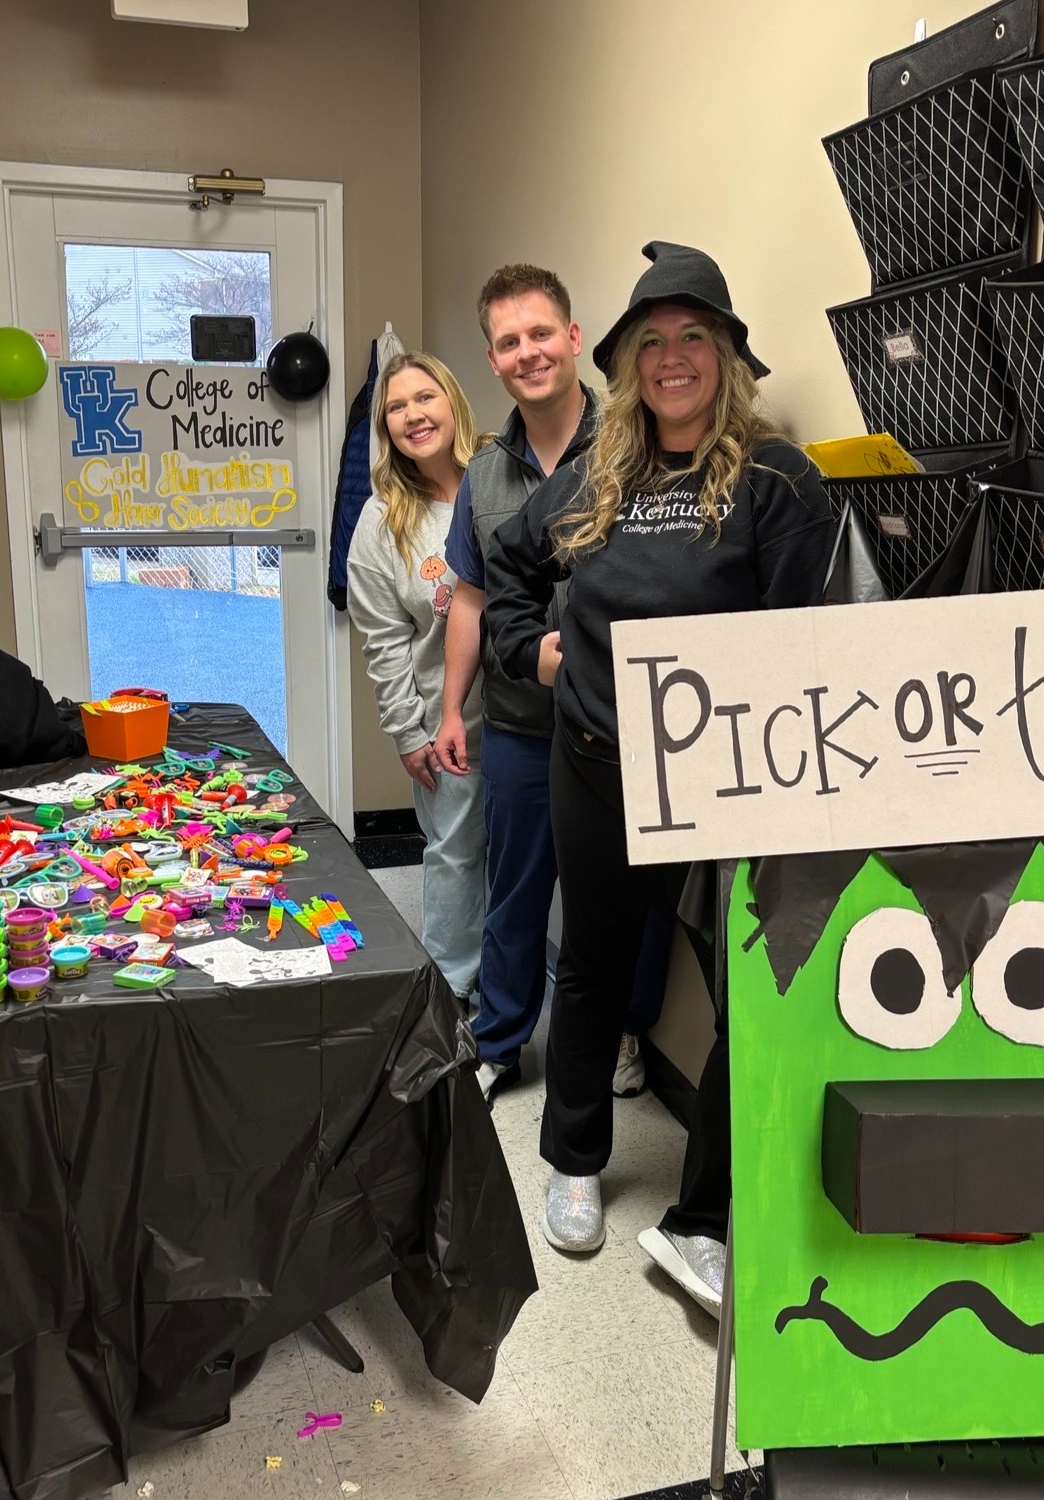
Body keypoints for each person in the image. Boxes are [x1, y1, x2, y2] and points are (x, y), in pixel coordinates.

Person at [486, 242, 838, 1308]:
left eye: (696, 337)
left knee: (751, 990)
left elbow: (804, 642)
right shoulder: (599, 476)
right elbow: (507, 566)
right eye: (654, 341)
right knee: (589, 967)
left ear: (728, 357)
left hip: (736, 783)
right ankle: (576, 1164)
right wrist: (533, 651)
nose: (674, 358)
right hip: (597, 763)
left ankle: (704, 1221)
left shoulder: (780, 482)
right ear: (628, 361)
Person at [435, 264, 667, 1104]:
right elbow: (471, 596)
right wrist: (451, 707)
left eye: (541, 333)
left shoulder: (638, 447)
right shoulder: (487, 476)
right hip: (526, 725)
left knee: (627, 897)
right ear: (493, 363)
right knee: (516, 890)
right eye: (508, 342)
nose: (528, 352)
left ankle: (624, 1035)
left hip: (628, 729)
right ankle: (499, 1040)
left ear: (573, 339)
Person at [347, 351, 487, 1002]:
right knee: (455, 858)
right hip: (445, 725)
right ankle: (452, 994)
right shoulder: (382, 524)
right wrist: (409, 732)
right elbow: (384, 643)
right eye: (396, 407)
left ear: (452, 400)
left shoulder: (501, 477)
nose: (412, 415)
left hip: (535, 714)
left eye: (424, 397)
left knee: (532, 864)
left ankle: (516, 991)